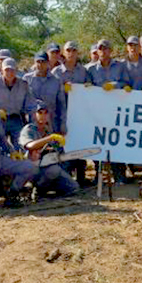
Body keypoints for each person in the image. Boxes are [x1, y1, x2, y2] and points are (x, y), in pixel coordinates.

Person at [85, 39, 132, 183]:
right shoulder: (91, 69)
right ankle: (99, 176)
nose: (103, 52)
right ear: (97, 51)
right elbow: (87, 88)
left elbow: (127, 83)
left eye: (106, 49)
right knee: (98, 141)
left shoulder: (120, 66)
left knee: (116, 141)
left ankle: (120, 175)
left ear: (110, 51)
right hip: (98, 112)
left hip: (117, 110)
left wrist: (115, 85)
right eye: (100, 49)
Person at [51, 41, 90, 186]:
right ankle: (65, 177)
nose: (71, 53)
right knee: (63, 145)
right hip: (62, 113)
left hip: (80, 114)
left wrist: (87, 87)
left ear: (77, 53)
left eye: (74, 50)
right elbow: (53, 93)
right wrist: (62, 88)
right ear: (64, 52)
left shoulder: (83, 71)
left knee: (80, 143)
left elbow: (90, 88)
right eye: (68, 50)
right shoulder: (56, 72)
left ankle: (81, 176)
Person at [19, 102, 78, 197]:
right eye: (40, 113)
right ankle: (38, 189)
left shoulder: (48, 130)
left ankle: (50, 187)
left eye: (46, 113)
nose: (43, 116)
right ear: (34, 114)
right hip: (32, 167)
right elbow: (29, 145)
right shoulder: (29, 129)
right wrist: (49, 138)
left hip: (48, 164)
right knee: (54, 170)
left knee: (73, 187)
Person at [0, 58, 34, 149]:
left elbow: (29, 103)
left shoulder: (23, 84)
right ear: (1, 70)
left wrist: (31, 122)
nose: (9, 73)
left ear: (16, 70)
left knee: (21, 146)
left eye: (12, 70)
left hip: (16, 119)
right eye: (7, 70)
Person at [23, 52, 67, 134]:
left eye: (43, 62)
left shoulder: (56, 81)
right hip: (31, 122)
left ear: (48, 63)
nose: (40, 64)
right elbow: (22, 101)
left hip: (51, 123)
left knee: (53, 145)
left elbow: (61, 105)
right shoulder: (27, 79)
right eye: (38, 62)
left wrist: (63, 124)